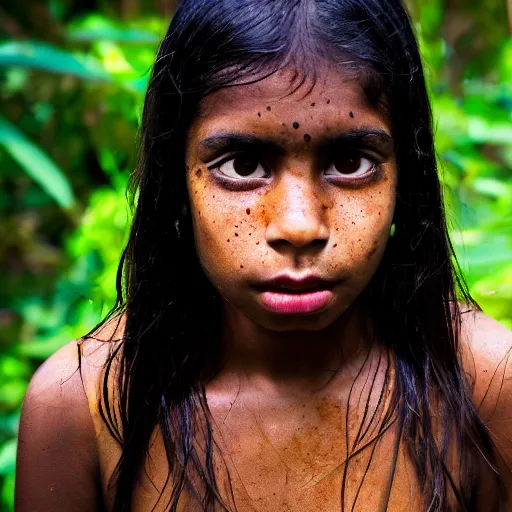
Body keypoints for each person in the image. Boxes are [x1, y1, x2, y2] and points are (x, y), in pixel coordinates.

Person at [14, 0, 512, 510]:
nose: (299, 225)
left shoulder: (488, 386)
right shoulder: (84, 407)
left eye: (349, 161)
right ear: (177, 181)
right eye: (244, 164)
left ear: (405, 175)